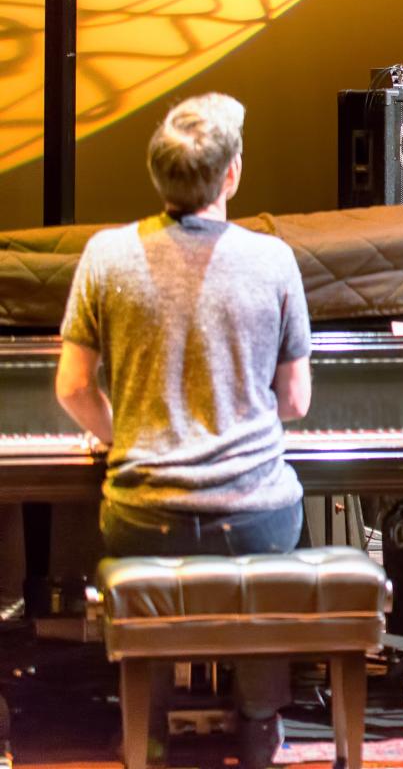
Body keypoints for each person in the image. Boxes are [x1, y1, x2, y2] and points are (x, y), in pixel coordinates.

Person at [54, 93, 311, 769]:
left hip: (144, 513)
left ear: (156, 174)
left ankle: (151, 724)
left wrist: (122, 434)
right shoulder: (274, 261)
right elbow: (295, 402)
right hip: (253, 514)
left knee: (134, 544)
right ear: (231, 177)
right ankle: (260, 726)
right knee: (275, 538)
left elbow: (73, 387)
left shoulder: (105, 255)